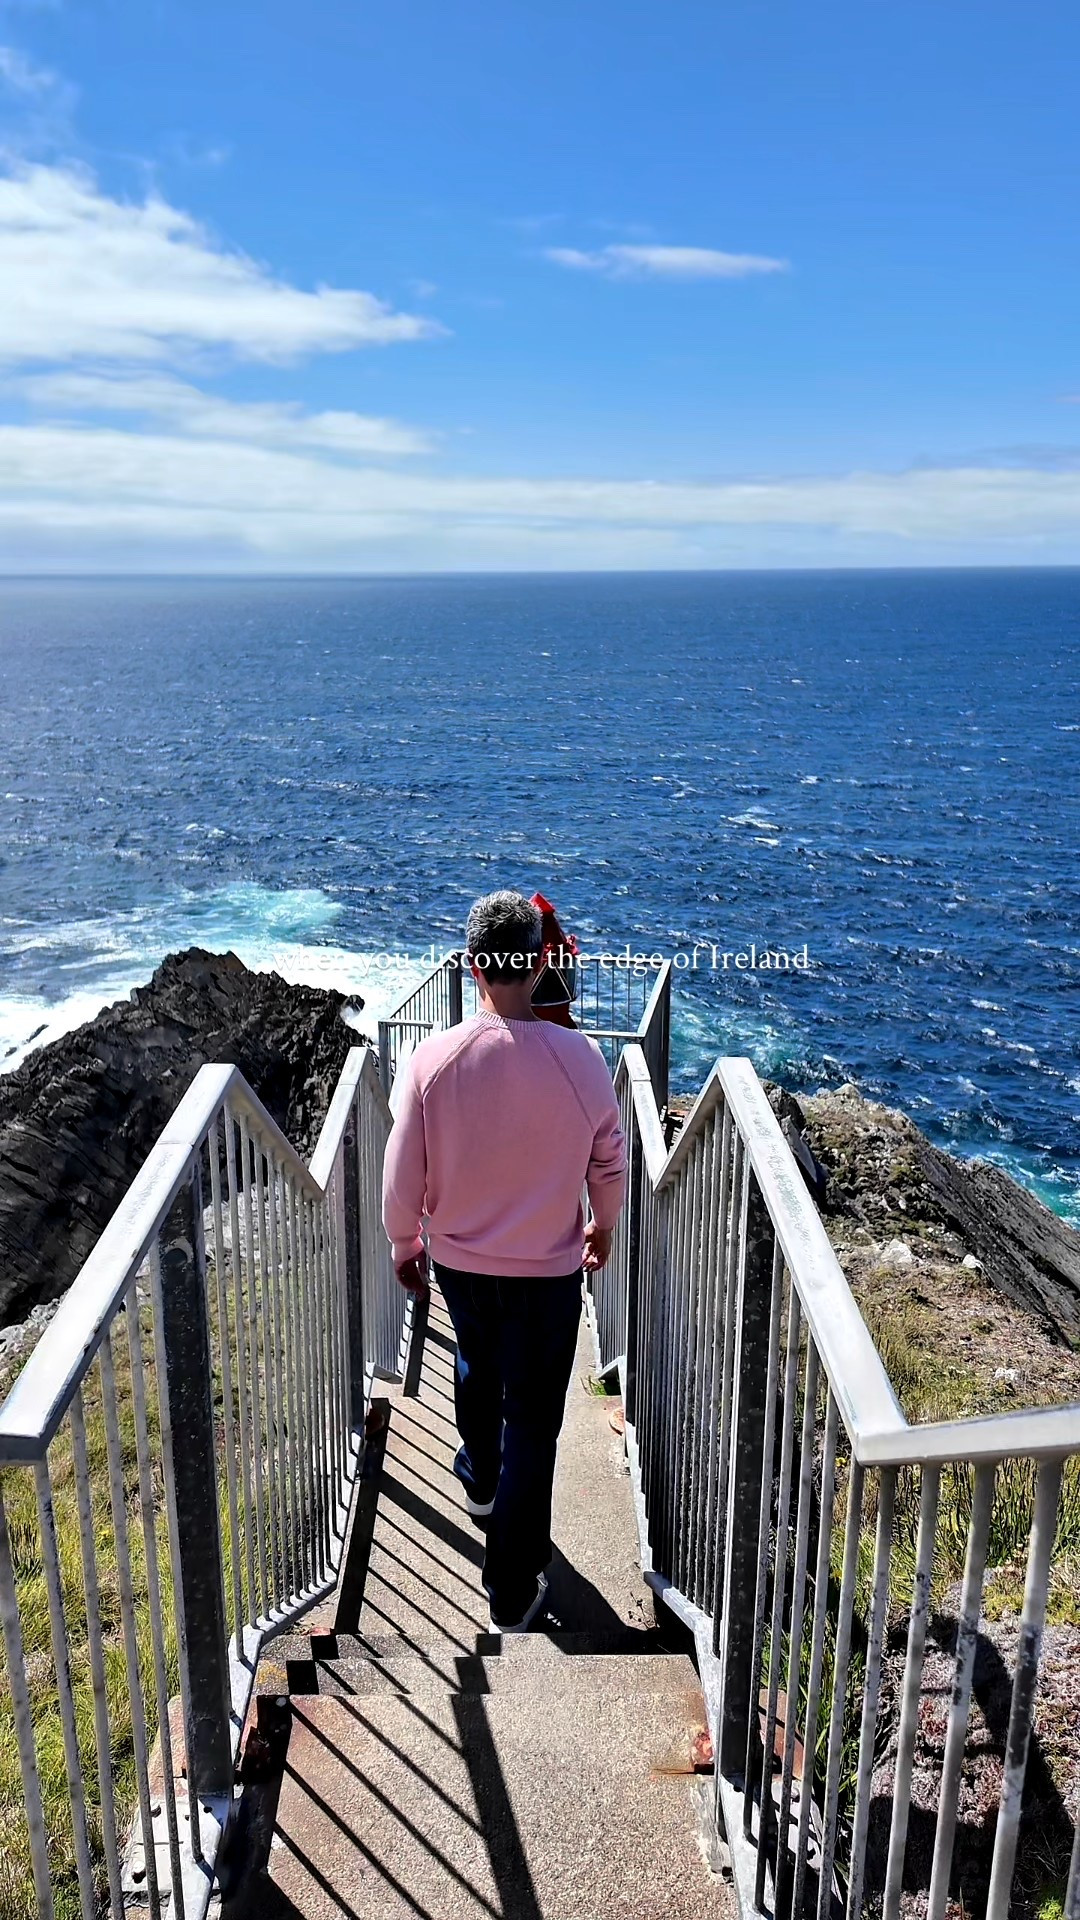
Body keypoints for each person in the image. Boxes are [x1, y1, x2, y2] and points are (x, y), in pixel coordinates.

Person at [381, 889, 627, 1632]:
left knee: (475, 1365)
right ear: (541, 960)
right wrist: (603, 1226)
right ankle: (512, 1587)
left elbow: (402, 1171)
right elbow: (608, 1161)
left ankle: (480, 1480)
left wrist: (404, 1242)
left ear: (473, 965)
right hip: (548, 1274)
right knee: (534, 1421)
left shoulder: (433, 1060)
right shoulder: (581, 1060)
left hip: (460, 1265)